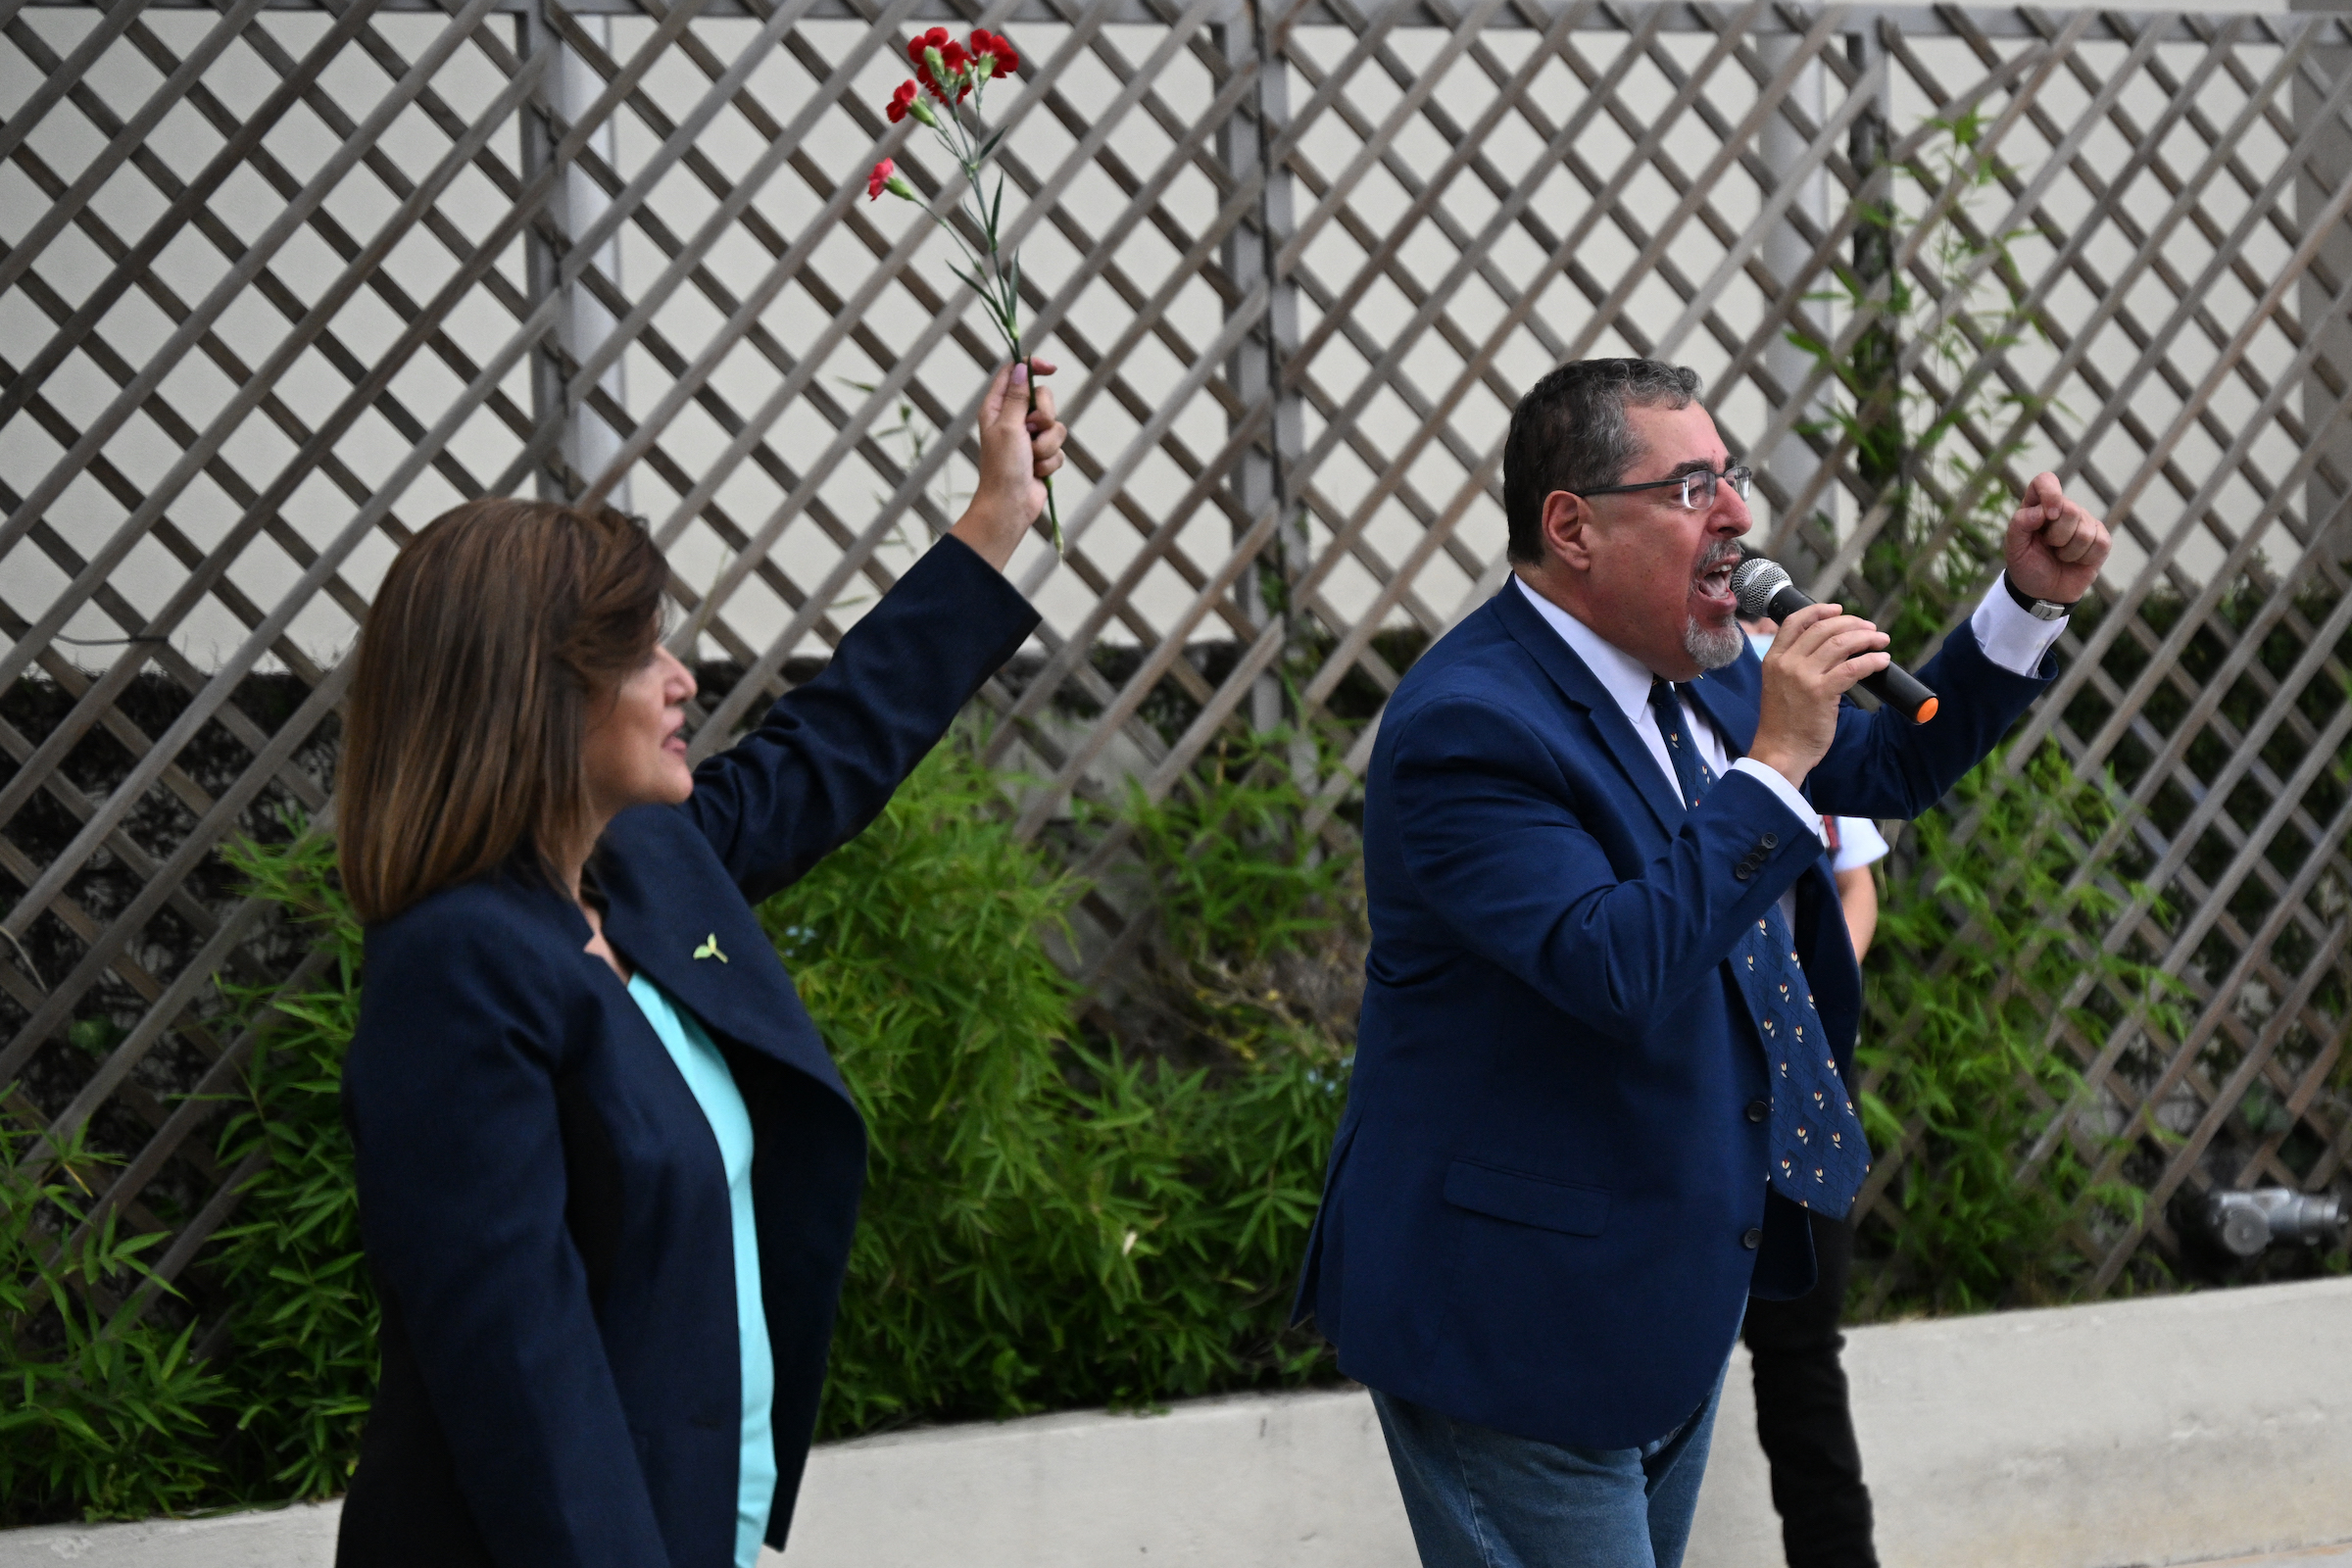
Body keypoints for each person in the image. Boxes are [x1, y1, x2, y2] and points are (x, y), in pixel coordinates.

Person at [1292, 358, 2108, 1568]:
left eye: (1728, 479)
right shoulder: (1468, 727)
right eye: (1689, 489)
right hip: (1516, 1314)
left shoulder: (1709, 670)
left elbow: (1891, 769)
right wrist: (1773, 765)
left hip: (1659, 1288)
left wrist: (2023, 606)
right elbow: (1614, 965)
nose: (1733, 515)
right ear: (1572, 526)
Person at [331, 362, 1065, 1568]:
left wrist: (995, 520)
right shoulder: (461, 969)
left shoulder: (639, 869)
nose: (683, 680)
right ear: (531, 699)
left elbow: (828, 750)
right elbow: (525, 1384)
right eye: (638, 655)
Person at [1737, 612, 1886, 1568]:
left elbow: (1856, 884)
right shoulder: (1664, 716)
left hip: (1804, 1073)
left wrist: (1801, 993)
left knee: (1801, 1354)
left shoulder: (1814, 717)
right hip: (1695, 1073)